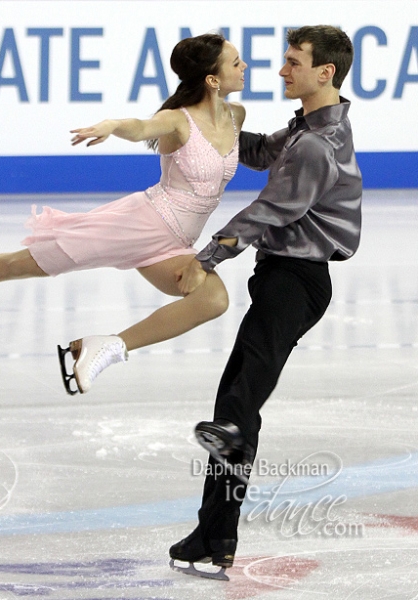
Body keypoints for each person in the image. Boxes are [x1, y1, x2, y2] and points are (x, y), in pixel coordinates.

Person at [0, 33, 248, 395]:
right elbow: (141, 126)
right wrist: (113, 125)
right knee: (17, 265)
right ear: (213, 80)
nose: (243, 66)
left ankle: (108, 346)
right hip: (139, 224)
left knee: (212, 300)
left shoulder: (237, 116)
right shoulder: (179, 119)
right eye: (235, 62)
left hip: (174, 243)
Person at [168, 25, 362, 580]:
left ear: (325, 72)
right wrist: (213, 114)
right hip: (284, 278)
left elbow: (268, 211)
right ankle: (214, 534)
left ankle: (216, 530)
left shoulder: (316, 145)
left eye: (294, 63)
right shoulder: (306, 128)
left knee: (236, 410)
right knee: (235, 409)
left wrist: (205, 258)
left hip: (296, 283)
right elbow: (254, 152)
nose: (281, 71)